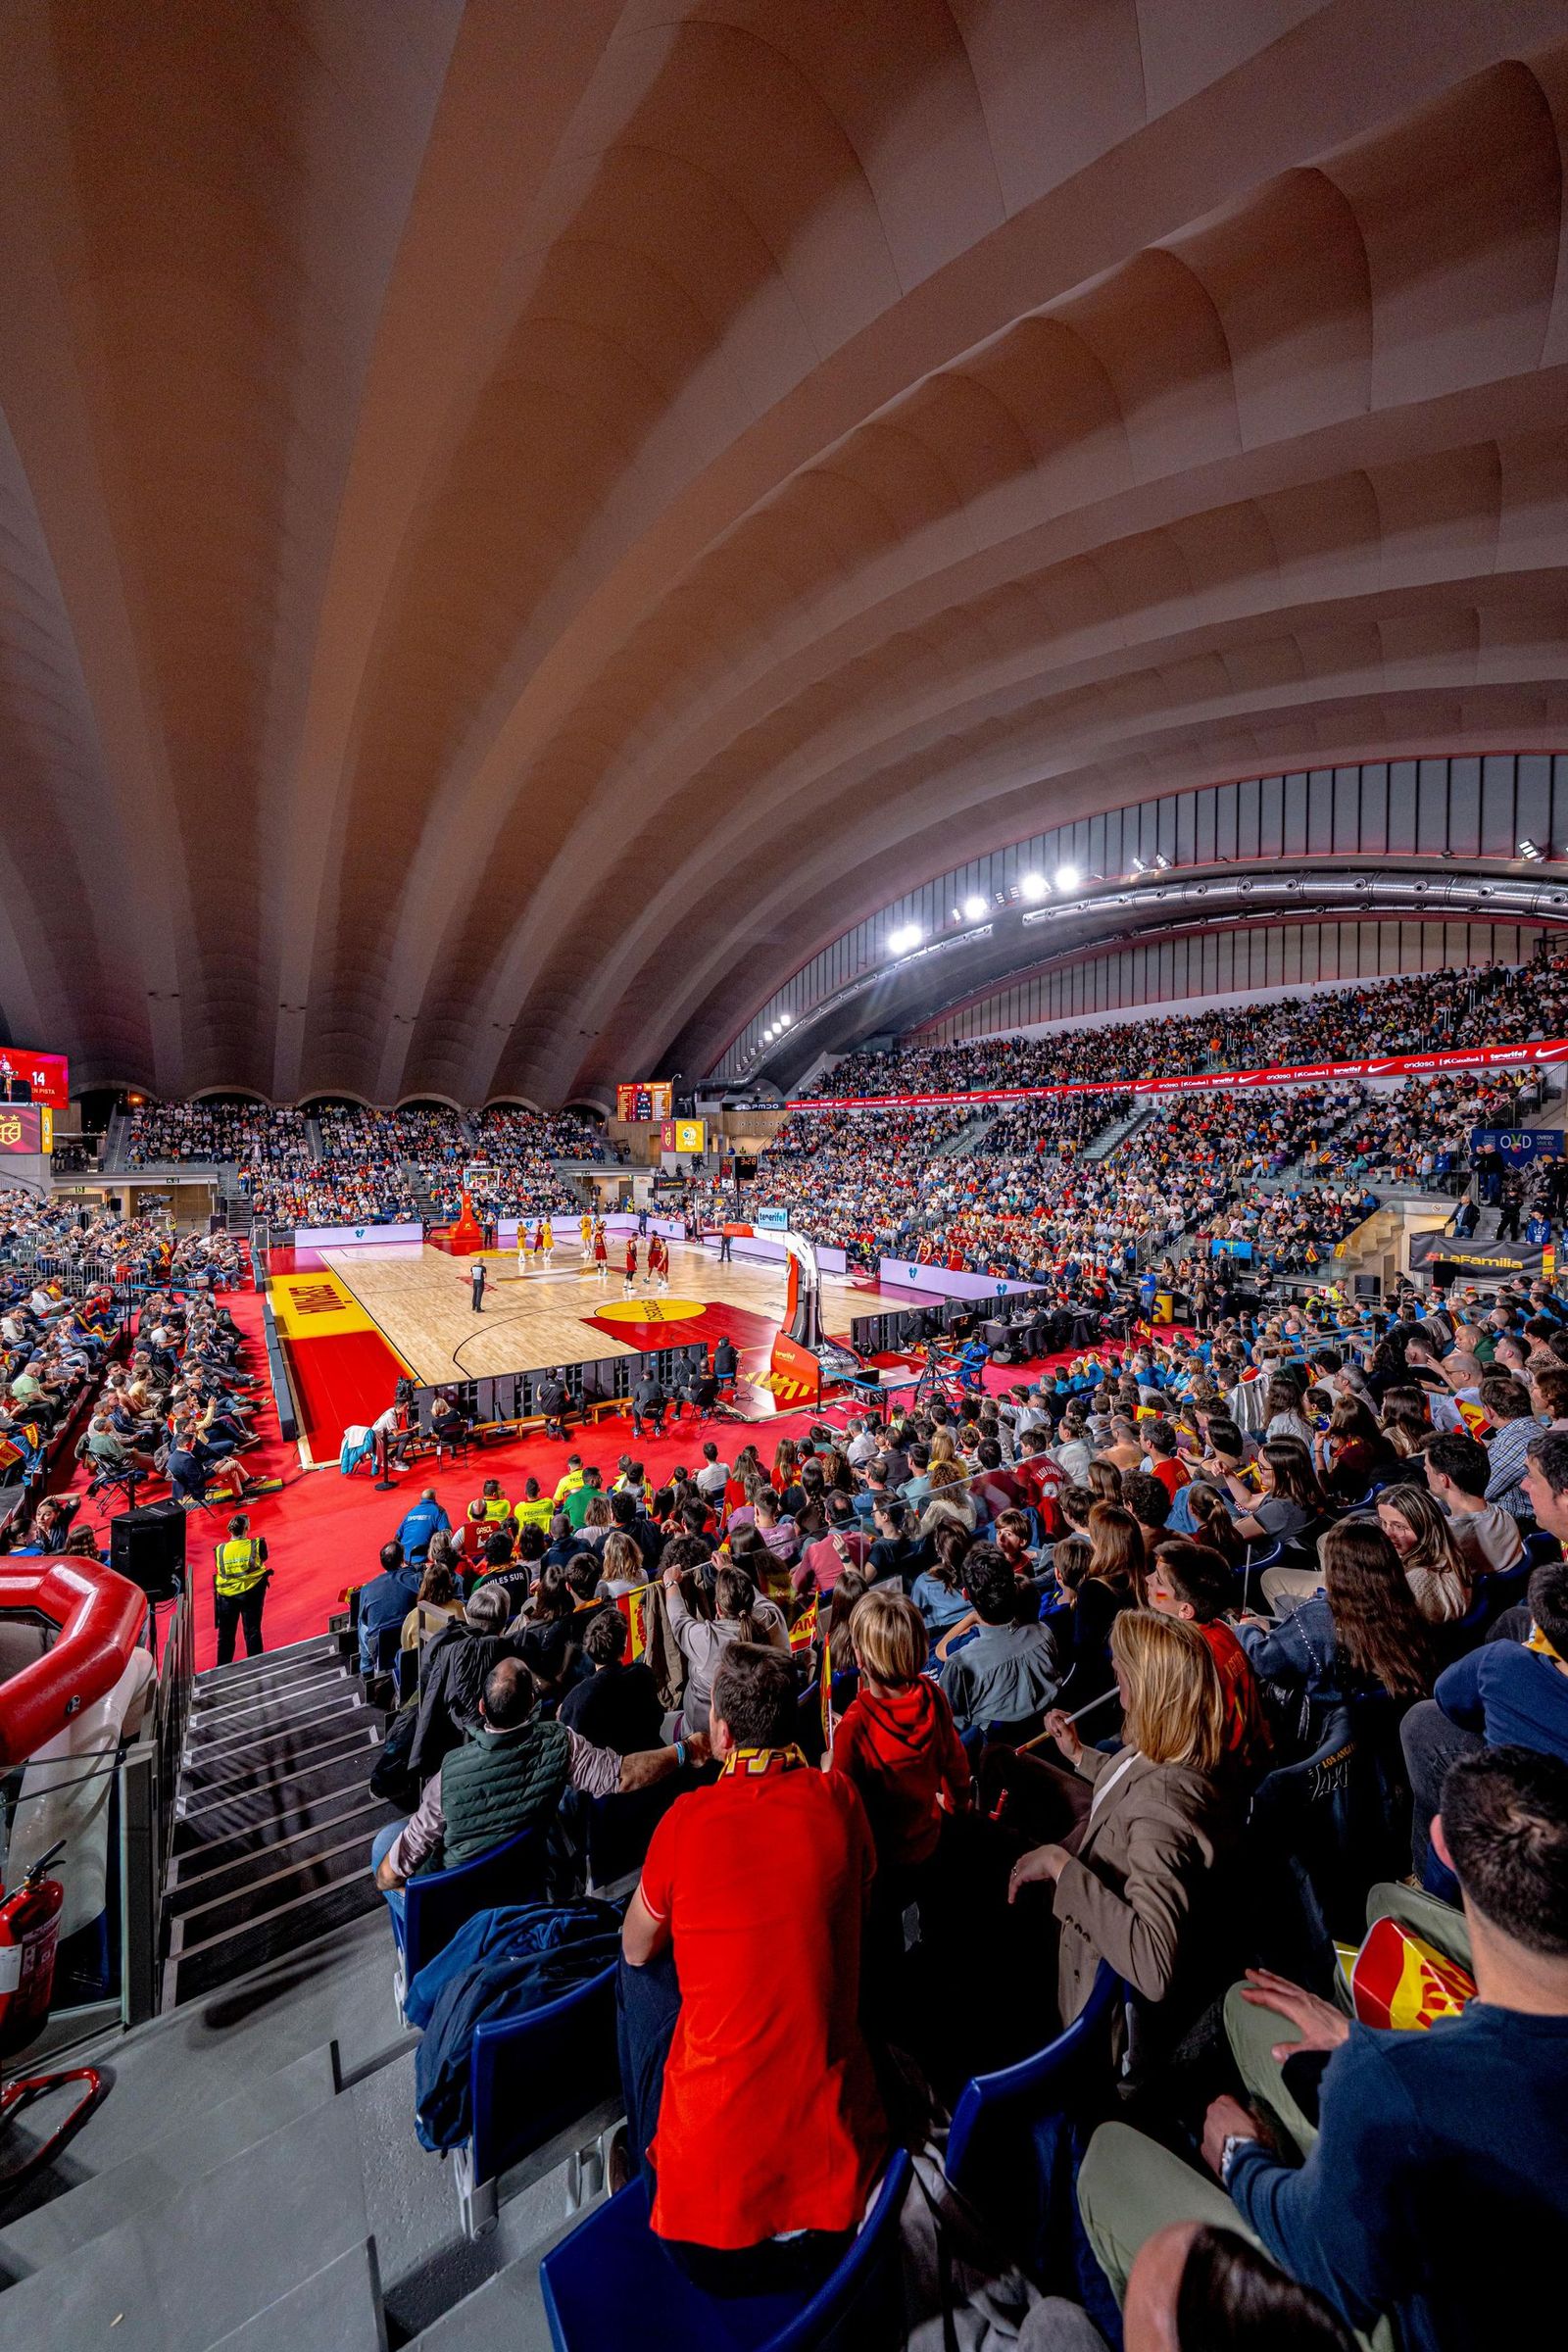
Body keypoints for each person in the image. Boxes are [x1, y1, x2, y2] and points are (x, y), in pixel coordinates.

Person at [1077, 1745, 1568, 2352]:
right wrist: (1360, 2051)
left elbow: (1327, 2264)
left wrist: (1241, 2159)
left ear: (1442, 1846)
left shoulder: (1394, 2083)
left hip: (1403, 2316)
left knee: (1108, 2162)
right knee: (1246, 2006)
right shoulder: (1398, 2073)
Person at [617, 1643, 888, 2292]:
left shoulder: (686, 1821)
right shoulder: (838, 1798)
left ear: (722, 1732)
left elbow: (634, 1947)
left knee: (636, 1971)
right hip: (843, 2214)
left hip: (706, 2235)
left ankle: (638, 2135)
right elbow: (864, 1897)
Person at [1007, 1612, 1232, 2045]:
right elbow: (1133, 1779)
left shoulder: (1159, 1814)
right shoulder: (1178, 1741)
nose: (1115, 1674)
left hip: (1091, 1999)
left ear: (1151, 1690)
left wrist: (1059, 1865)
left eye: (1123, 1669)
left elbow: (1153, 1963)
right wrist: (1078, 1755)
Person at [373, 1656, 704, 1903]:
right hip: (530, 1878)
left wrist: (416, 1897)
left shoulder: (448, 1777)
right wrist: (684, 1750)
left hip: (458, 1897)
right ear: (533, 1704)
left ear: (481, 1707)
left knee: (384, 1842)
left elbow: (390, 1876)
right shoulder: (561, 1742)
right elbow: (623, 1774)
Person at [1401, 1561, 1568, 1881]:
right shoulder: (1505, 1657)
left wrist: (1506, 1691)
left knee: (1420, 1722)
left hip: (1532, 1817)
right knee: (1510, 1620)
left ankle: (1427, 1881)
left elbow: (1448, 1700)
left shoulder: (1503, 1661)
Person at [939, 1542, 1060, 1732]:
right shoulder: (1044, 1633)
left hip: (994, 1750)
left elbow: (954, 1722)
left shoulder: (961, 1664)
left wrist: (972, 1617)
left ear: (965, 1595)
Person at [560, 1606, 666, 1752]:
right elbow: (657, 1718)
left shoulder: (575, 1698)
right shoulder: (642, 1674)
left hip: (609, 1770)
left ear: (588, 1650)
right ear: (623, 1649)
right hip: (652, 1757)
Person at [1423, 1432, 1525, 1574]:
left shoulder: (1445, 1538)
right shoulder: (1505, 1517)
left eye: (1427, 1468)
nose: (1424, 1470)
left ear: (1443, 1480)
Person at [213, 1511, 270, 1664]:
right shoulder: (257, 1544)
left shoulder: (219, 1549)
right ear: (246, 1529)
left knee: (225, 1635)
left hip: (226, 1596)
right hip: (252, 1593)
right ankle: (256, 1665)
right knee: (252, 1631)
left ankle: (222, 1668)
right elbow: (264, 1558)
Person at [357, 1540, 421, 1674]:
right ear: (402, 1559)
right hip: (409, 1637)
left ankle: (366, 1669)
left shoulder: (367, 1589)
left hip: (381, 1646)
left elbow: (364, 1619)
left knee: (361, 1624)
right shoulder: (411, 1578)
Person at [395, 1488, 450, 1565]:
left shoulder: (412, 1511)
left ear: (421, 1499)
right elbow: (446, 1532)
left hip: (404, 1557)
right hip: (425, 1558)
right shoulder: (439, 1511)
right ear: (434, 1499)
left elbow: (397, 1536)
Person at [536, 1367, 568, 1440]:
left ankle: (547, 1427)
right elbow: (567, 1398)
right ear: (556, 1375)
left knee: (547, 1407)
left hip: (546, 1411)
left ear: (547, 1375)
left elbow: (539, 1398)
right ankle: (560, 1425)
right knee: (563, 1406)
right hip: (559, 1411)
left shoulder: (541, 1385)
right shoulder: (561, 1385)